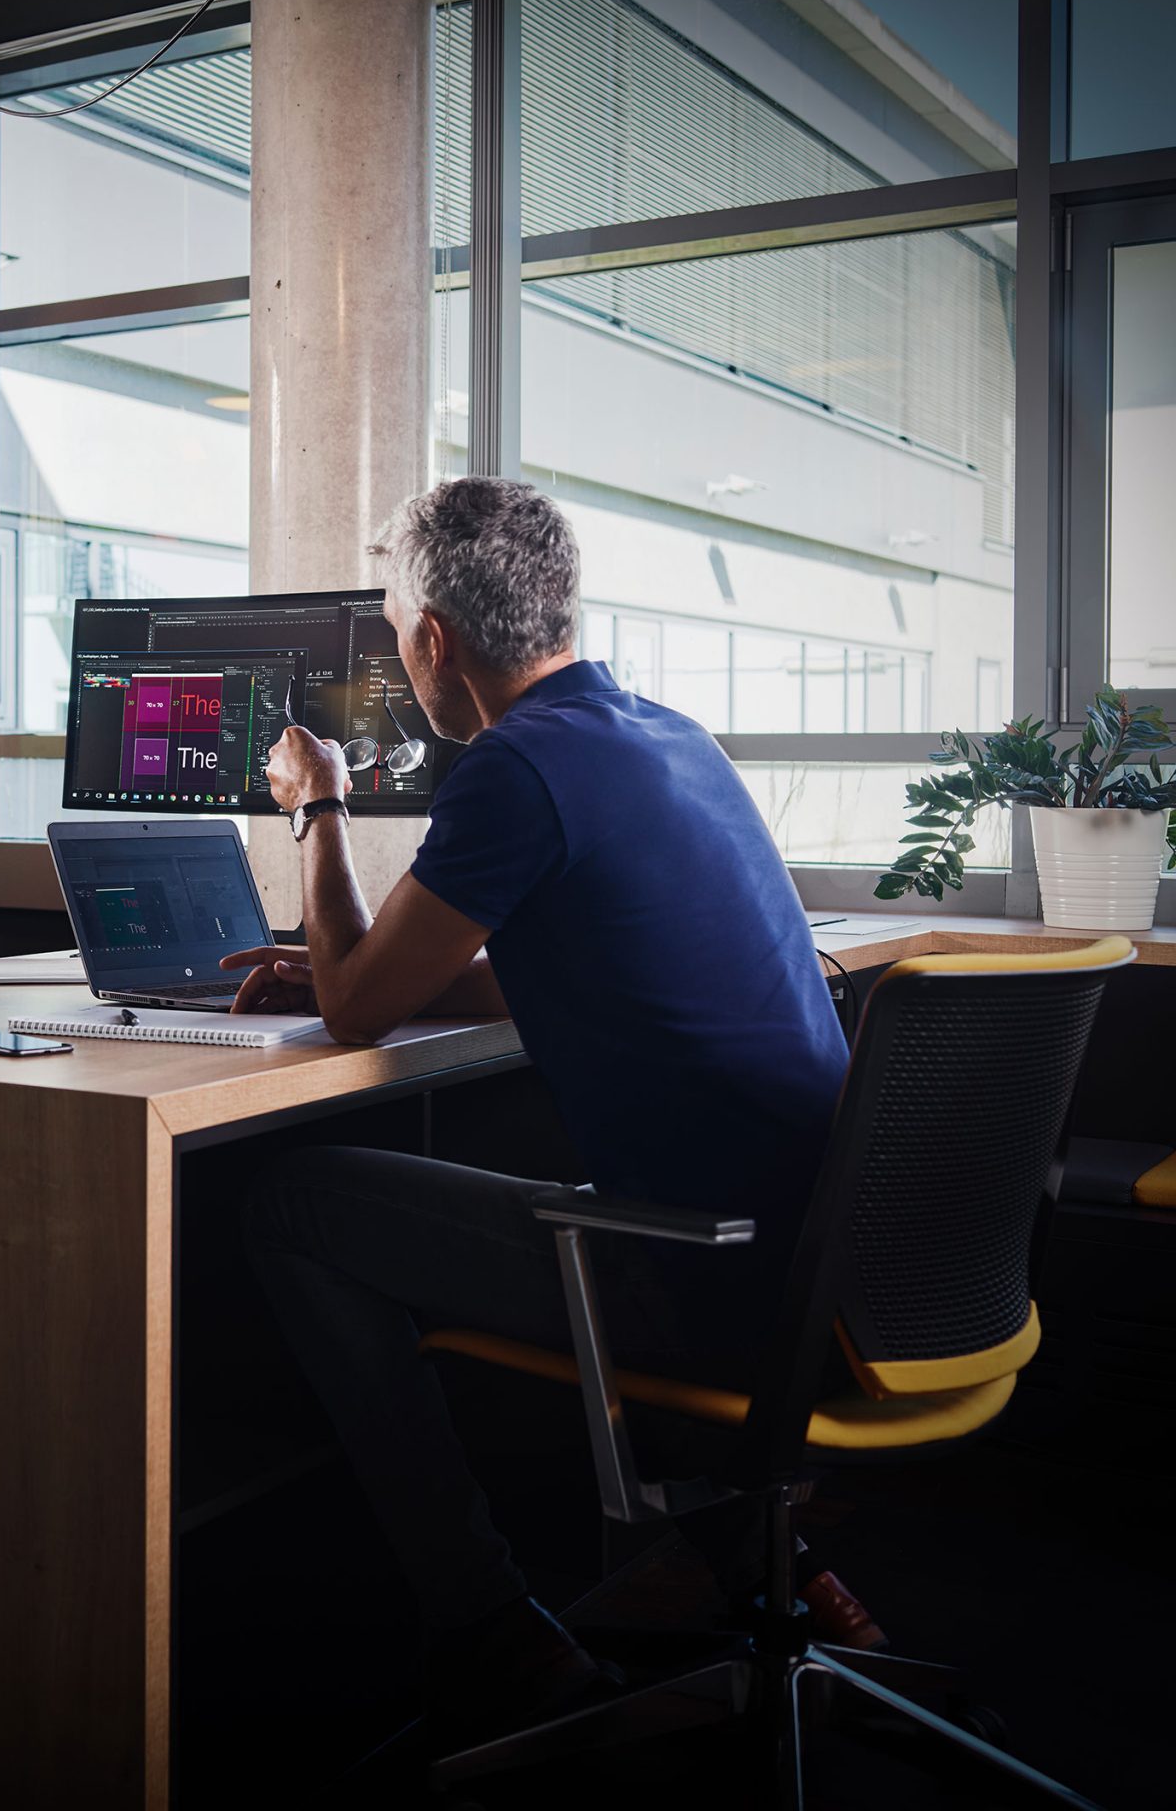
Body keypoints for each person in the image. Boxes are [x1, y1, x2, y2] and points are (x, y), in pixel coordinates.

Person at [217, 479, 860, 1754]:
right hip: (834, 1260)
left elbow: (353, 1017)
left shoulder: (515, 766)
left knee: (288, 1202)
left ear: (434, 643)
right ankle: (783, 1579)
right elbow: (557, 959)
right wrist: (378, 961)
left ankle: (486, 1625)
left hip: (708, 1276)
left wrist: (321, 809)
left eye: (399, 626)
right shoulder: (668, 735)